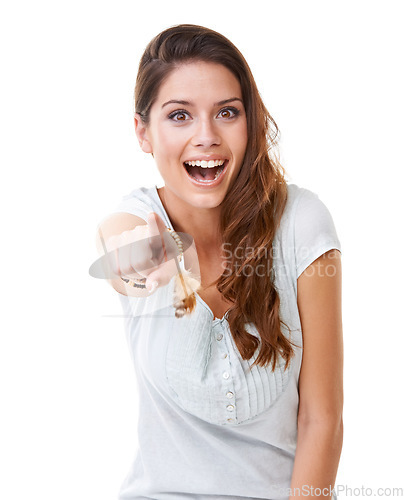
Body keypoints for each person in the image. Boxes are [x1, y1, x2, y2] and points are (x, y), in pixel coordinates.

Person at [94, 24, 343, 500]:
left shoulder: (301, 223)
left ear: (250, 122)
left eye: (227, 113)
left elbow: (321, 417)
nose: (206, 136)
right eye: (180, 116)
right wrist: (150, 265)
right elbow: (119, 250)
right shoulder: (140, 217)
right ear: (143, 133)